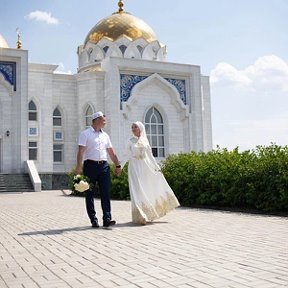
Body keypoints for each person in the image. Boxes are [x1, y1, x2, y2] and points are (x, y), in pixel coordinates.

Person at [121, 121, 180, 225]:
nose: (133, 129)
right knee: (137, 190)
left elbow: (151, 156)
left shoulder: (145, 141)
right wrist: (119, 166)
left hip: (145, 167)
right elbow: (126, 155)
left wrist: (157, 168)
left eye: (135, 127)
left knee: (146, 189)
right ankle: (140, 216)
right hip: (134, 167)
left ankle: (148, 213)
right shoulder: (130, 141)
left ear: (140, 128)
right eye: (132, 127)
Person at [75, 111, 122, 228]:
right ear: (96, 120)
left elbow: (111, 152)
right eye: (103, 119)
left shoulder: (105, 136)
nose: (105, 121)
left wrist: (117, 165)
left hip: (104, 166)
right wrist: (78, 168)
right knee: (89, 193)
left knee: (105, 192)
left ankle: (107, 218)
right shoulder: (85, 134)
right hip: (90, 166)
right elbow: (80, 152)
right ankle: (93, 220)